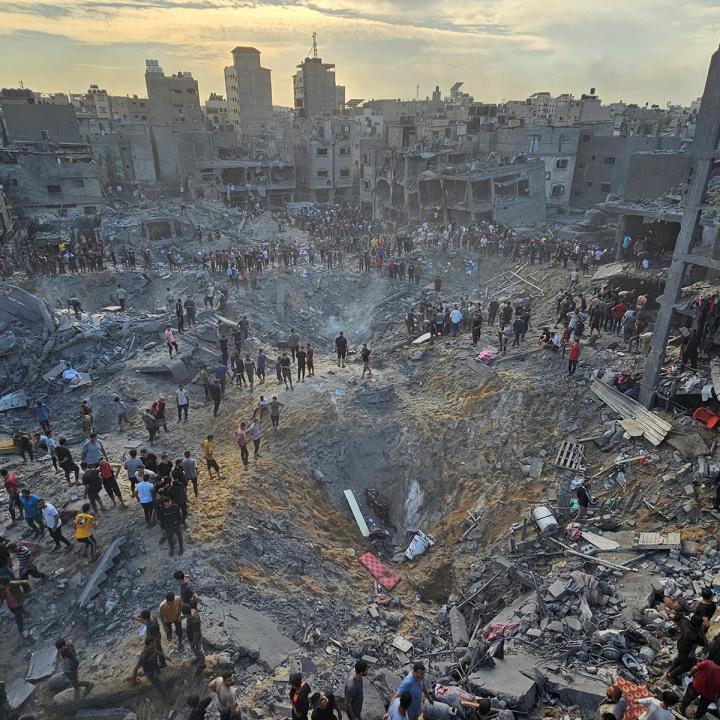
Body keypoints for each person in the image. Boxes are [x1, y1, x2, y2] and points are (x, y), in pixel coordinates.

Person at [668, 613, 706, 683]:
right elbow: (705, 643)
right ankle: (672, 675)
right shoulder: (694, 635)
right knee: (686, 666)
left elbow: (672, 615)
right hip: (687, 651)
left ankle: (670, 671)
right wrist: (701, 631)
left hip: (680, 644)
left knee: (679, 658)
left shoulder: (685, 622)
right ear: (697, 626)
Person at [183, 603, 205, 667]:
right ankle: (198, 658)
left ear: (185, 613)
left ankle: (202, 663)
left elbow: (197, 634)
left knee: (200, 650)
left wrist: (193, 643)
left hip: (196, 639)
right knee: (195, 650)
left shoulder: (194, 621)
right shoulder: (193, 610)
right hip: (191, 637)